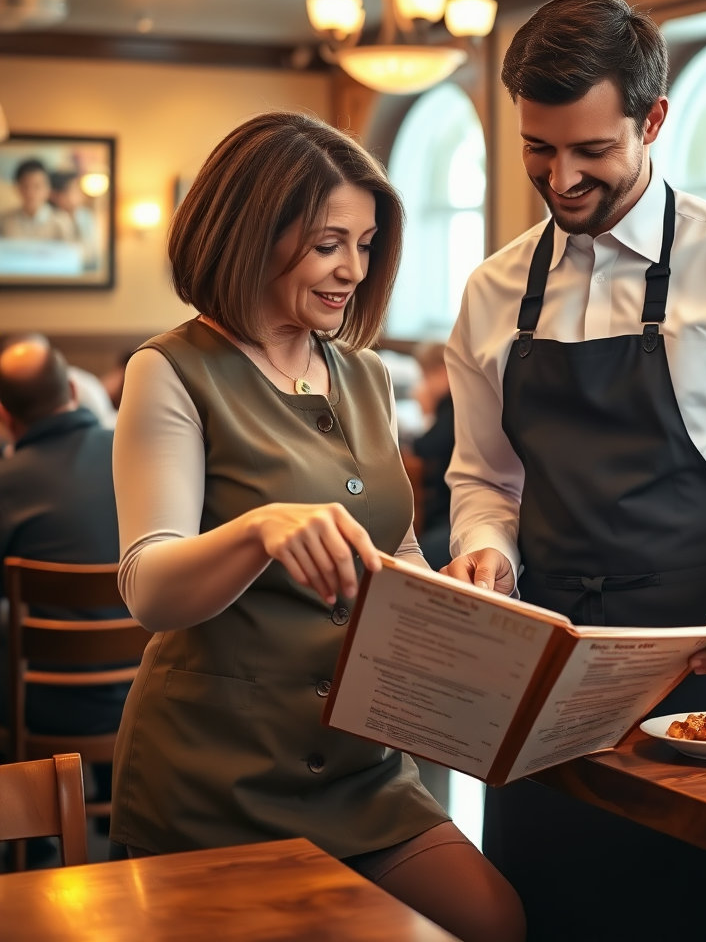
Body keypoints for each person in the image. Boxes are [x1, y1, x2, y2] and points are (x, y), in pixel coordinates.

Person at [442, 0, 706, 942]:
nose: (561, 177)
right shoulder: (490, 290)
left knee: (698, 917)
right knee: (545, 913)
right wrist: (485, 551)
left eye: (591, 150)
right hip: (547, 673)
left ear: (653, 120)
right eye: (537, 149)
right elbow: (484, 479)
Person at [109, 111, 523, 942]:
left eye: (366, 246)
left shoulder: (365, 375)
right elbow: (147, 585)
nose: (353, 271)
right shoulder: (172, 370)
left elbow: (391, 546)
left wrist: (455, 585)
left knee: (492, 920)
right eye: (329, 242)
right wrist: (259, 529)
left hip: (362, 772)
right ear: (253, 231)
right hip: (214, 780)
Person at [0, 332, 124, 867]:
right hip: (147, 691)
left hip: (45, 706)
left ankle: (35, 835)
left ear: (5, 417)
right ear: (74, 388)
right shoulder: (134, 454)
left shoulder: (6, 482)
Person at [408, 341, 454, 571]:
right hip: (451, 515)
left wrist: (428, 413)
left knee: (417, 559)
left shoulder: (452, 405)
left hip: (452, 519)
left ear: (443, 371)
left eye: (426, 376)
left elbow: (425, 449)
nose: (423, 384)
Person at [0, 159, 76, 242]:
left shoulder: (61, 222)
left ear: (48, 188)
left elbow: (69, 252)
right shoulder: (5, 221)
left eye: (37, 186)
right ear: (17, 188)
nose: (30, 193)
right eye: (25, 186)